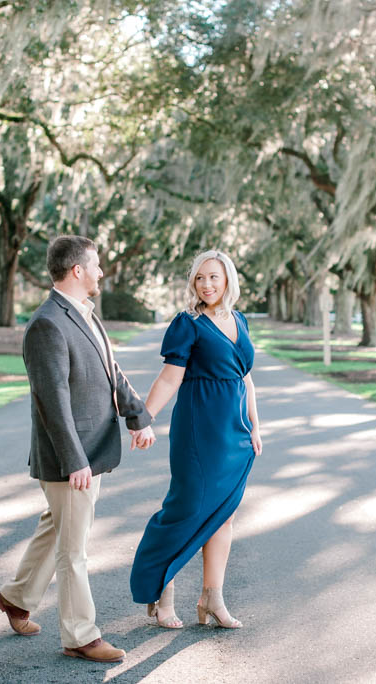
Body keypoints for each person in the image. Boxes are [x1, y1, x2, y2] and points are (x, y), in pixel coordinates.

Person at [0, 235, 156, 663]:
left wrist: (136, 415)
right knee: (74, 550)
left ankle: (17, 596)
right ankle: (80, 635)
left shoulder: (84, 314)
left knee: (56, 527)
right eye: (96, 265)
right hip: (72, 459)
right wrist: (74, 460)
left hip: (90, 452)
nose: (102, 272)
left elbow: (110, 370)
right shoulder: (47, 323)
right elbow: (53, 401)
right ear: (77, 270)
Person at [129, 249, 262, 630]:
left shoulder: (240, 320)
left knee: (224, 515)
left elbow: (245, 377)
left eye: (213, 277)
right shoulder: (187, 323)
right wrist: (144, 418)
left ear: (228, 280)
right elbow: (170, 378)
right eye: (200, 277)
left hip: (234, 433)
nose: (206, 284)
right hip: (198, 429)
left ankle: (212, 599)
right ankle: (161, 592)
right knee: (186, 509)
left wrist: (255, 425)